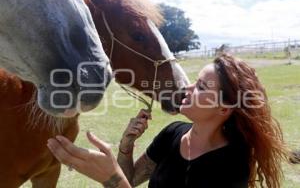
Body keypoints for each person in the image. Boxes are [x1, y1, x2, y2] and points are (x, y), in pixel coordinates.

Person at [47, 54, 289, 188]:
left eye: (201, 86)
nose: (188, 87)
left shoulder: (231, 167)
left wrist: (110, 178)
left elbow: (121, 182)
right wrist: (126, 145)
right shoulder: (173, 133)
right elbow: (131, 180)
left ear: (223, 107)